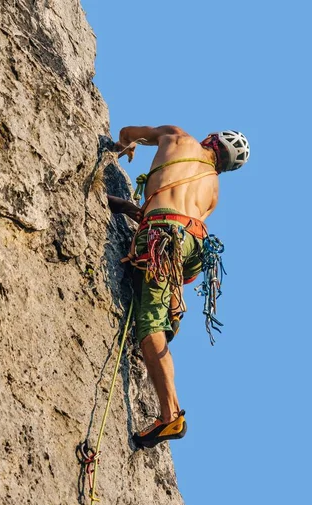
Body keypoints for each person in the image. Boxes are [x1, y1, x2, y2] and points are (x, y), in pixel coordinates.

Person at [107, 126, 249, 448]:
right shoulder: (213, 189)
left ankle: (170, 415)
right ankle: (171, 312)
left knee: (148, 323)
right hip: (194, 246)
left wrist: (124, 146)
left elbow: (130, 133)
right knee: (161, 308)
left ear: (211, 139)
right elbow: (185, 220)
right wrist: (130, 209)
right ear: (224, 166)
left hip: (163, 234)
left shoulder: (177, 137)